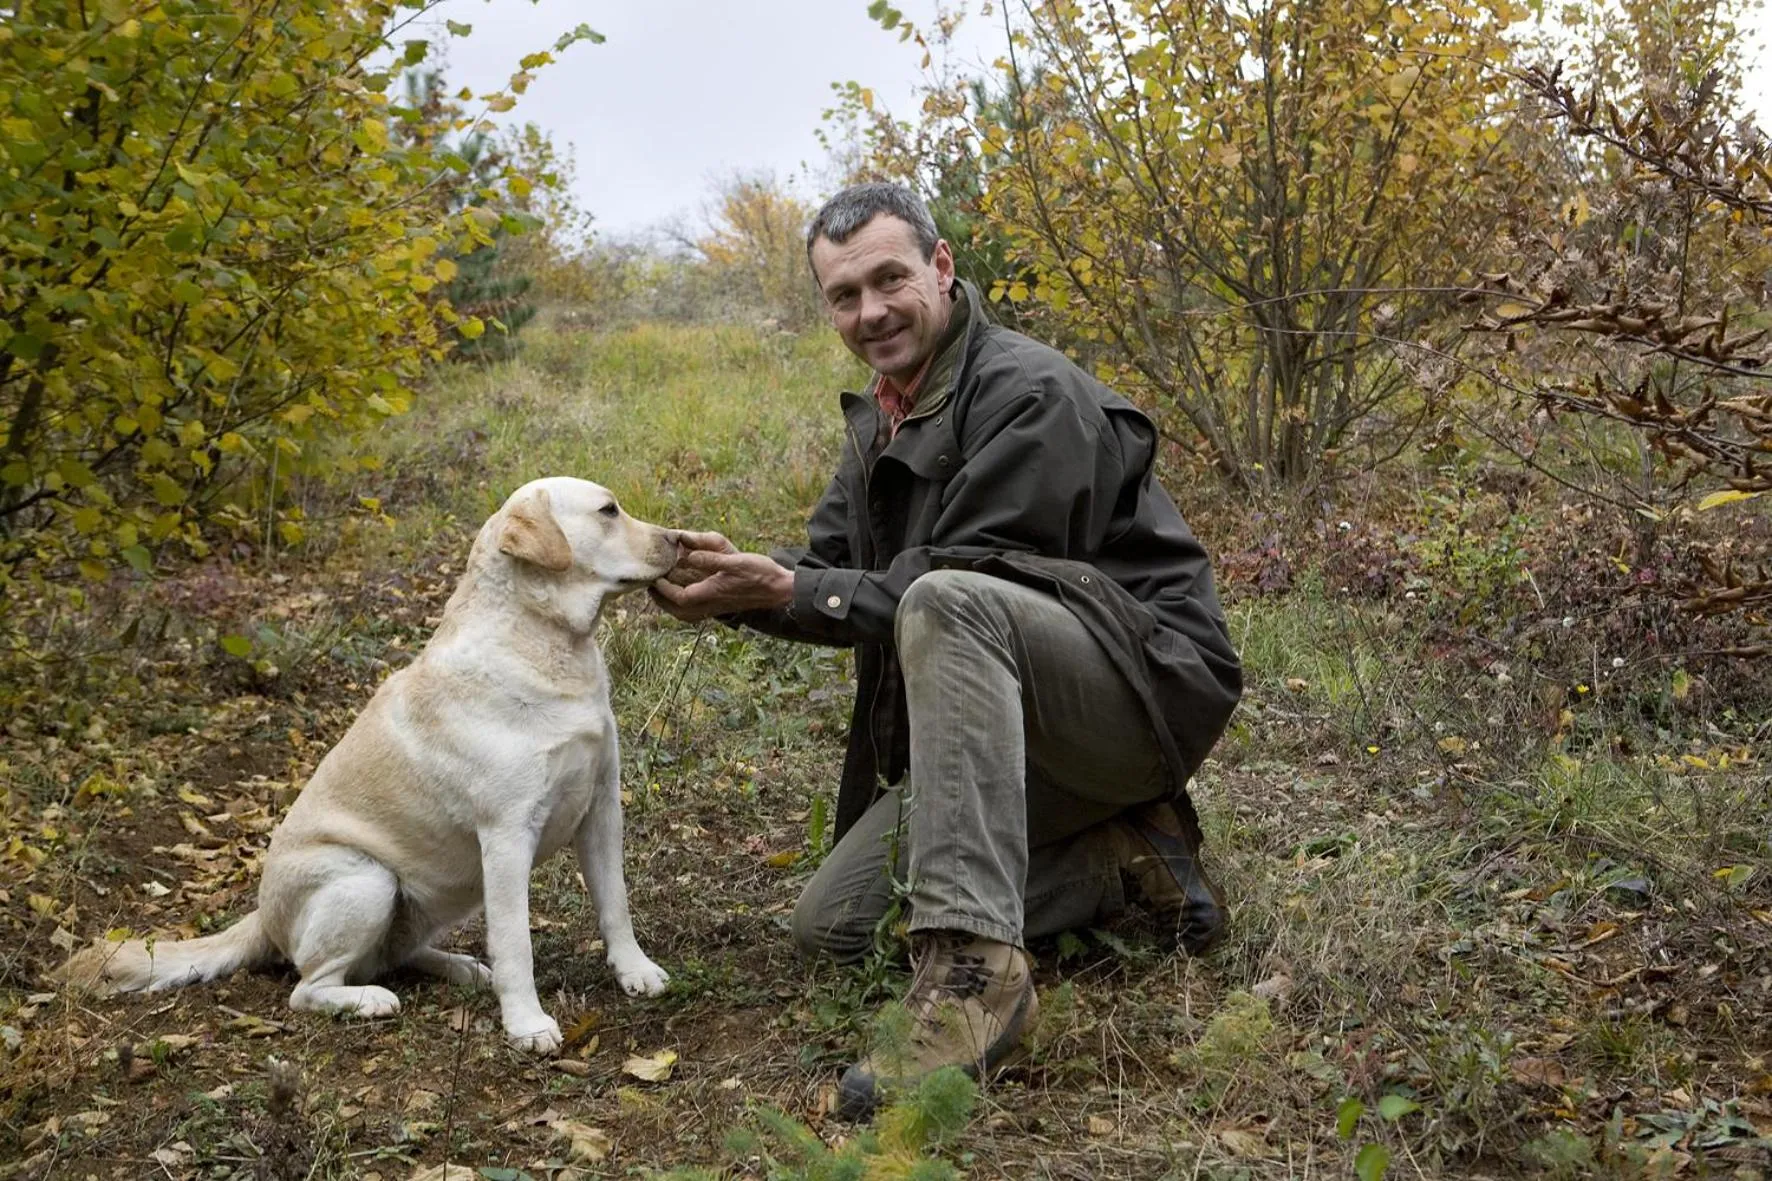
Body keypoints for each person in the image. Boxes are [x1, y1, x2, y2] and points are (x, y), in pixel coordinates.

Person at [650, 183, 1242, 1119]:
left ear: (941, 266)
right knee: (834, 927)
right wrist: (737, 588)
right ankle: (1128, 859)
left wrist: (793, 586)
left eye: (889, 279)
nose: (871, 312)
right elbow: (831, 578)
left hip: (1137, 697)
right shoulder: (886, 414)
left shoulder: (1029, 392)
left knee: (948, 598)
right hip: (1012, 727)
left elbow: (957, 585)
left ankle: (977, 974)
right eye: (844, 296)